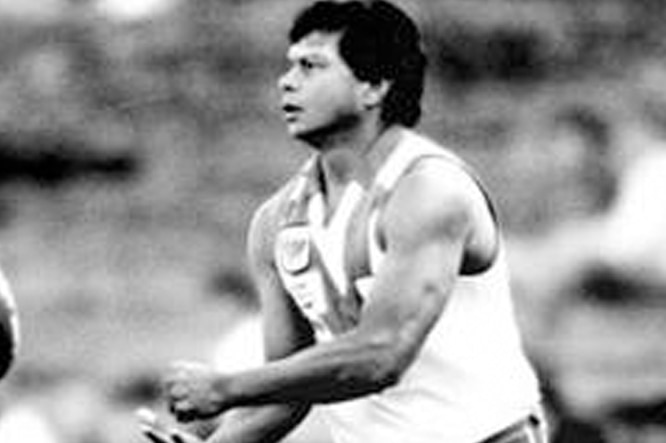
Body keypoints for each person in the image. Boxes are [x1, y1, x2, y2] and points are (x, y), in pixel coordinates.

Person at [139, 1, 546, 442]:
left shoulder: (429, 190)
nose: (287, 81)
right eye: (290, 65)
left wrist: (226, 388)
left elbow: (381, 354)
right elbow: (287, 395)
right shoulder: (276, 223)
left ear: (373, 86)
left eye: (311, 66)